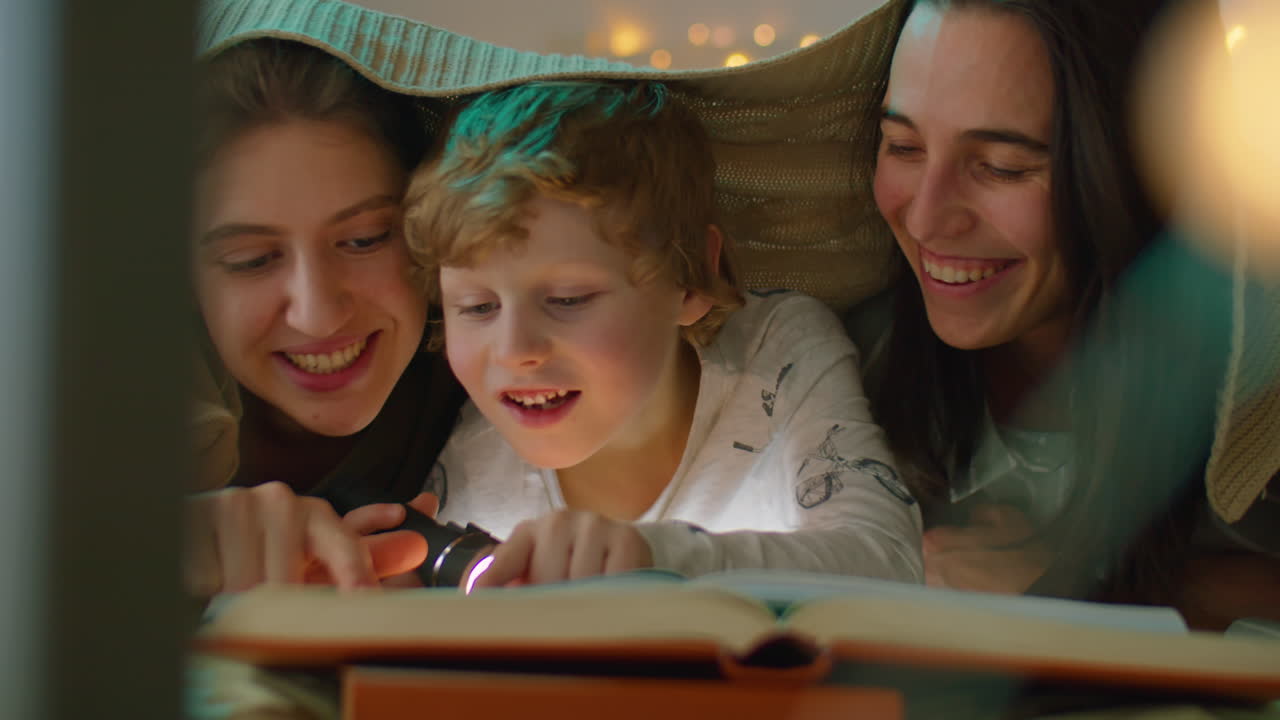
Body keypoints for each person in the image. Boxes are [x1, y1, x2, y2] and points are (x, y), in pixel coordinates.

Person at [854, 0, 1280, 625]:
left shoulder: (1255, 396)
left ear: (1133, 167)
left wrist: (1095, 597)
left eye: (1002, 167)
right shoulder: (849, 359)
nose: (924, 218)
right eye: (903, 146)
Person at [402, 80, 923, 589]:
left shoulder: (776, 355)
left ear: (691, 276)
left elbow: (889, 563)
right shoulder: (476, 453)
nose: (515, 352)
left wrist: (657, 560)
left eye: (567, 300)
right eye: (477, 307)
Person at [185, 38, 466, 596]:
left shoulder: (501, 363)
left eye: (364, 240)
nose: (317, 316)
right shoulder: (85, 424)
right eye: (253, 260)